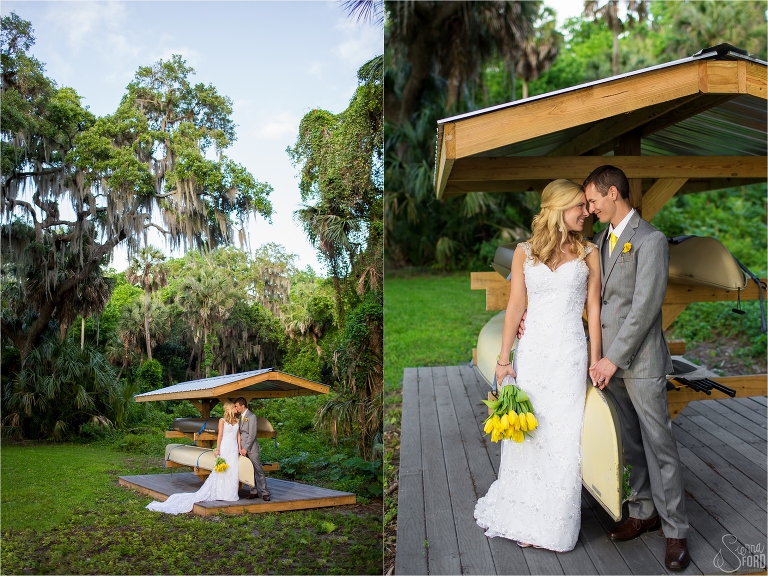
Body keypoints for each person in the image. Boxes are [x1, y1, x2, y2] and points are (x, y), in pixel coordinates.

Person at [474, 179, 602, 552]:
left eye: (586, 205)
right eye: (579, 205)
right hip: (532, 354)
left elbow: (592, 309)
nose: (586, 211)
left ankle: (554, 526)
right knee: (530, 435)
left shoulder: (589, 252)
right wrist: (503, 360)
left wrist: (595, 359)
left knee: (563, 438)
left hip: (569, 355)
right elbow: (516, 306)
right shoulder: (524, 252)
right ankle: (521, 515)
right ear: (558, 208)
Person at [583, 165, 690, 570]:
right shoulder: (601, 240)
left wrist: (612, 358)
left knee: (659, 444)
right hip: (608, 365)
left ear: (613, 193)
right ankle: (643, 512)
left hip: (639, 363)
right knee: (629, 443)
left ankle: (676, 531)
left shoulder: (650, 239)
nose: (590, 208)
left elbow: (645, 308)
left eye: (593, 200)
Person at [146, 401, 242, 514]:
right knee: (222, 470)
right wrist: (217, 449)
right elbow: (220, 436)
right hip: (225, 447)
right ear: (230, 408)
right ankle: (221, 493)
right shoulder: (222, 421)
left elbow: (238, 435)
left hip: (233, 448)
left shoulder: (237, 421)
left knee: (232, 470)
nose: (236, 408)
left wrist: (240, 448)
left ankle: (230, 494)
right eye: (234, 407)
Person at [234, 397, 270, 501]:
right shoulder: (240, 417)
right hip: (243, 449)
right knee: (248, 470)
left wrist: (246, 448)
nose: (236, 407)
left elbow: (252, 434)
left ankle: (264, 492)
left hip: (251, 448)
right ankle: (253, 491)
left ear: (242, 405)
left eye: (237, 406)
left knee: (258, 470)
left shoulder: (252, 416)